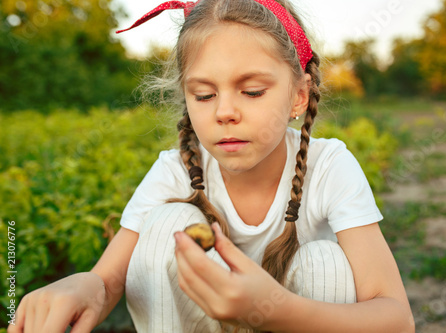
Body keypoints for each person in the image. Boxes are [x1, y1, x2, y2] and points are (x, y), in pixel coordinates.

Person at [8, 0, 415, 332]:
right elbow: (108, 278)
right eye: (203, 95)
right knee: (168, 222)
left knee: (324, 263)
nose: (224, 112)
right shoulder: (175, 168)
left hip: (301, 321)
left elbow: (396, 318)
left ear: (299, 96)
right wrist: (85, 288)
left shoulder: (329, 167)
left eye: (252, 91)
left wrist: (277, 312)